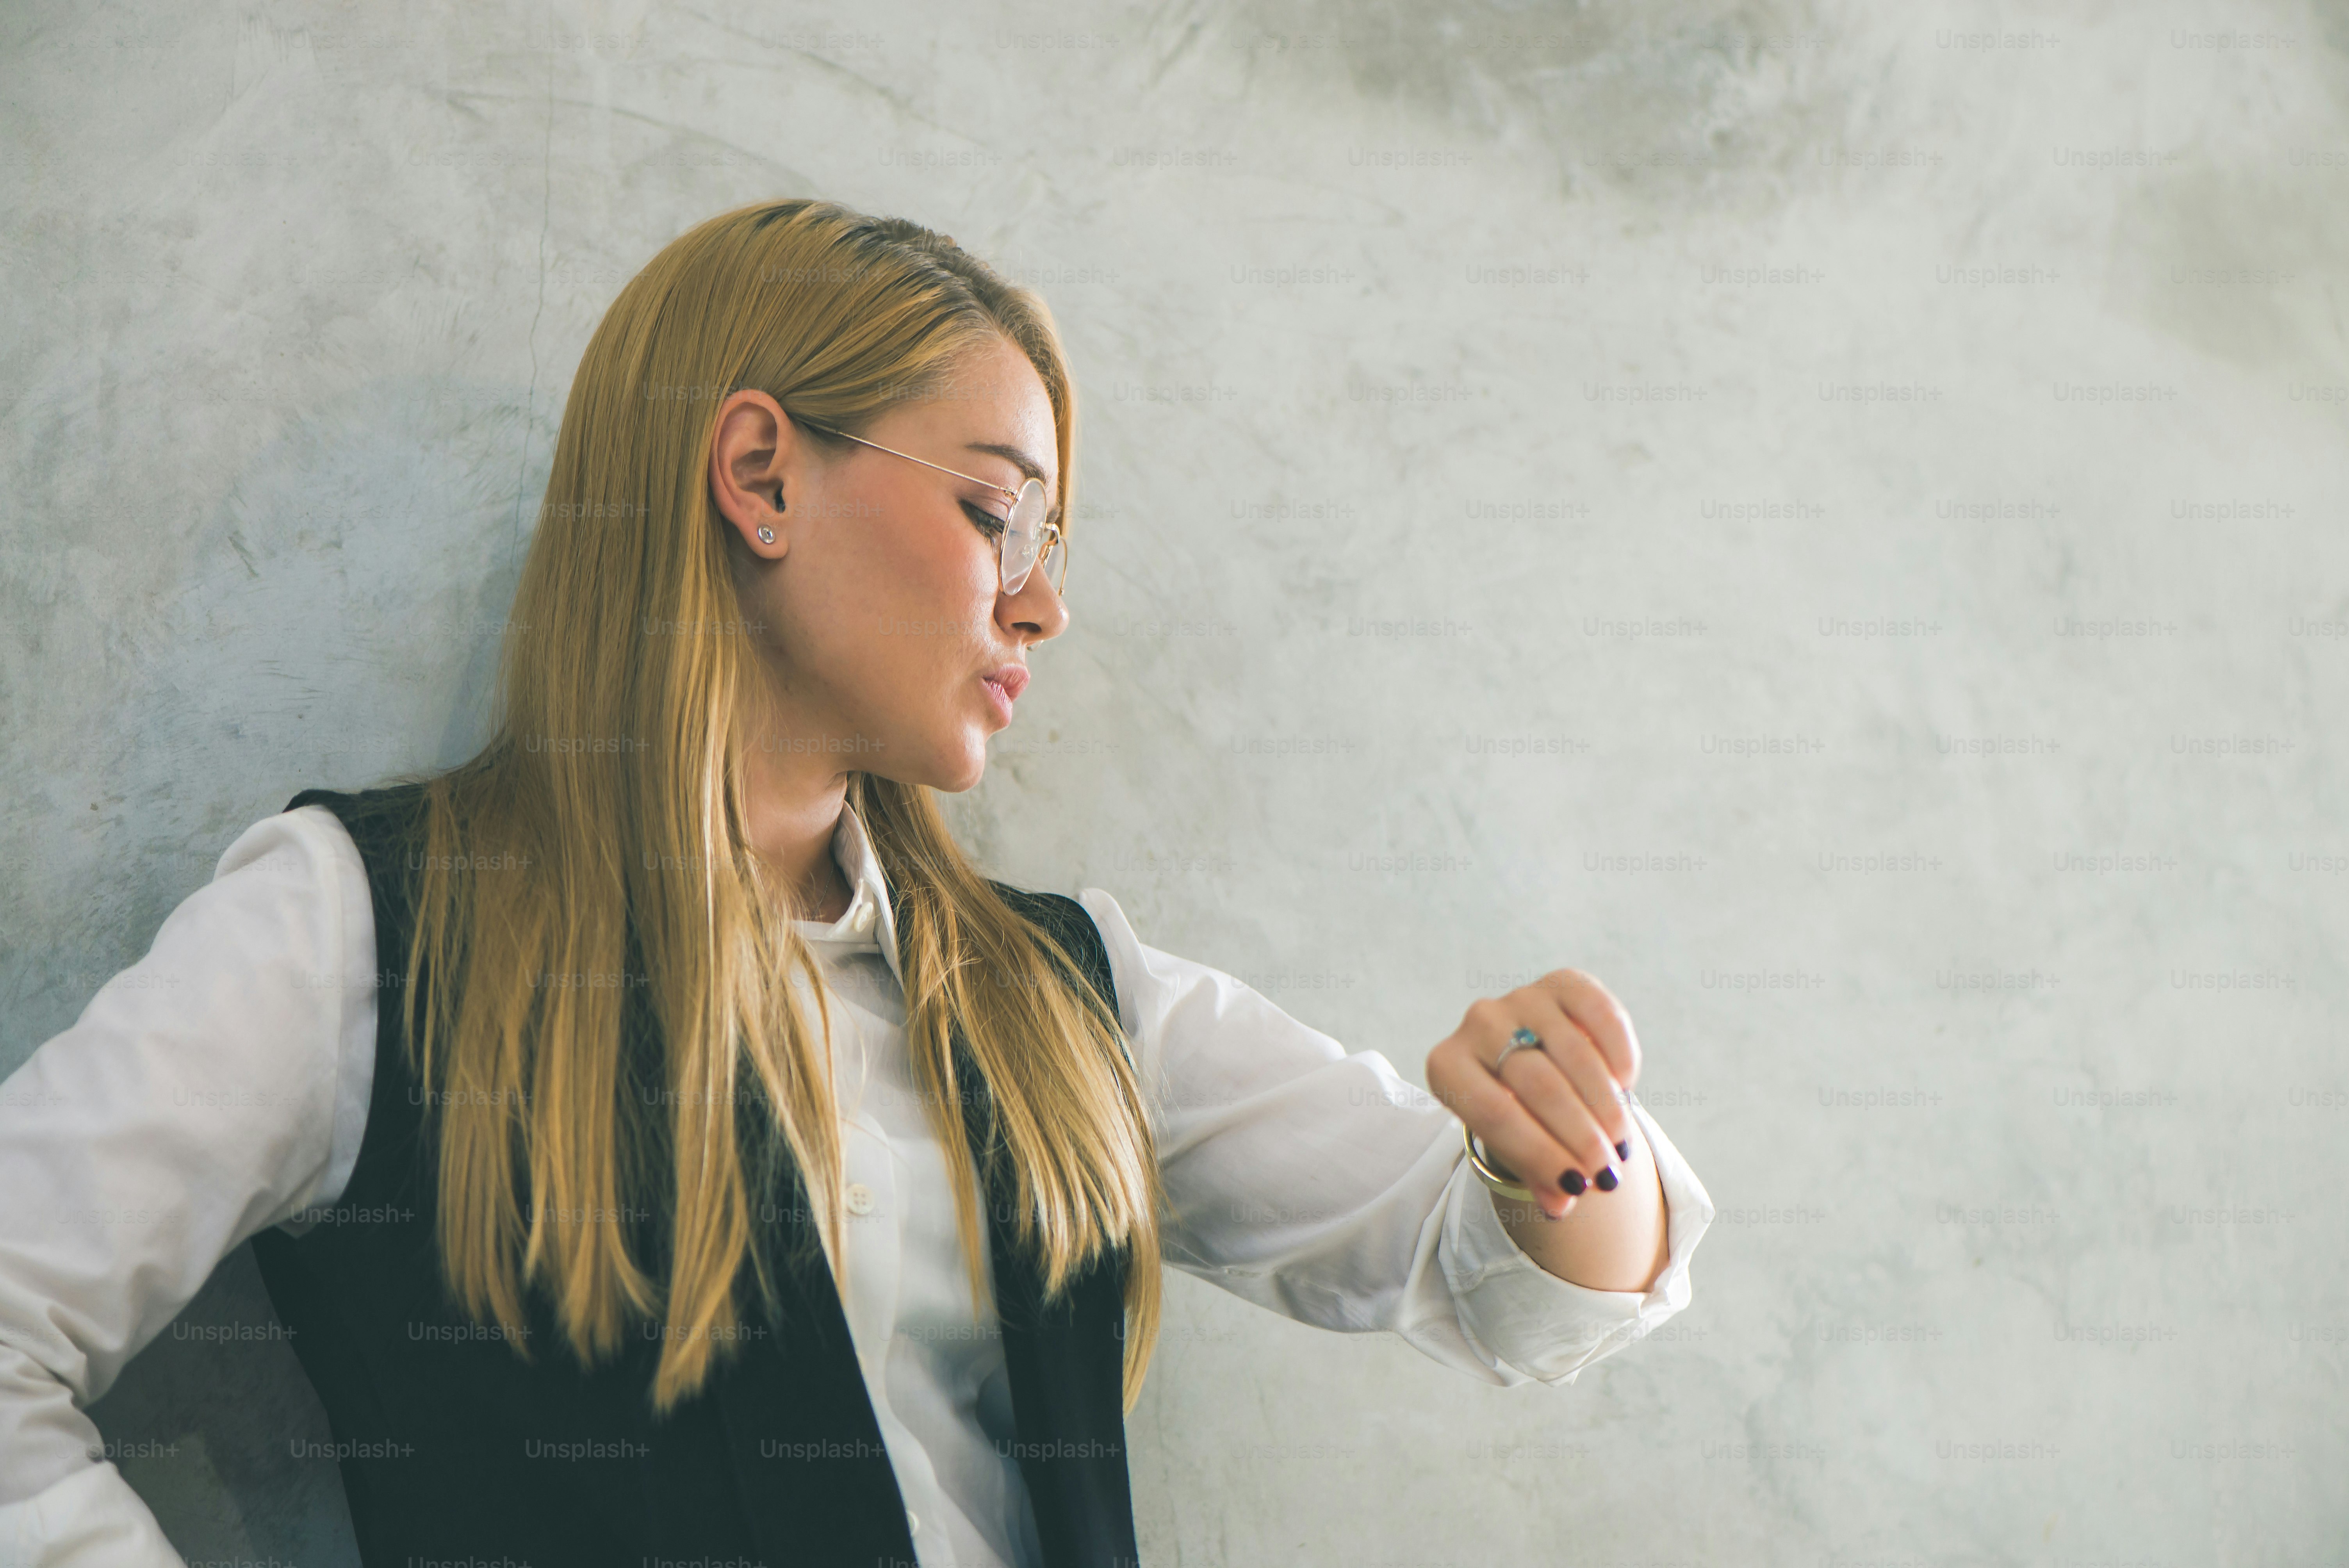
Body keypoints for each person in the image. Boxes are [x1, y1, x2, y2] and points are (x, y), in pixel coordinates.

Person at [0, 198, 1716, 1568]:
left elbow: (1493, 1277)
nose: (1039, 606)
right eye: (994, 511)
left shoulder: (1063, 993)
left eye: (1051, 544)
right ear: (757, 474)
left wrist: (1563, 1148)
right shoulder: (356, 930)